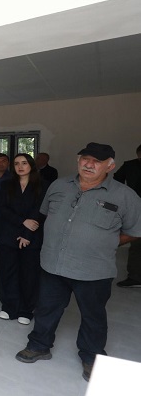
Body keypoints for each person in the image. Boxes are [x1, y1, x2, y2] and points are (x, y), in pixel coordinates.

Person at [15, 142, 141, 382]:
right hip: (53, 264)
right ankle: (39, 345)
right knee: (46, 308)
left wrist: (108, 242)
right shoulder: (58, 186)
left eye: (97, 161)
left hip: (94, 269)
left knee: (93, 316)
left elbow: (135, 230)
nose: (89, 164)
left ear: (110, 166)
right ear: (78, 160)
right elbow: (46, 215)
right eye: (85, 158)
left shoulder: (125, 196)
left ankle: (92, 357)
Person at [0, 153, 48, 325]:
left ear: (31, 165)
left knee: (29, 274)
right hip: (8, 234)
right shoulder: (6, 184)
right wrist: (22, 221)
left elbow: (40, 212)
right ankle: (9, 306)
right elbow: (2, 208)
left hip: (32, 236)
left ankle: (26, 309)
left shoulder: (42, 185)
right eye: (17, 163)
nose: (20, 166)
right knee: (8, 271)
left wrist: (26, 235)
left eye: (24, 163)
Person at [114, 143, 141, 287]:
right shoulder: (129, 165)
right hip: (136, 207)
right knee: (137, 242)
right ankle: (136, 277)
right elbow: (116, 180)